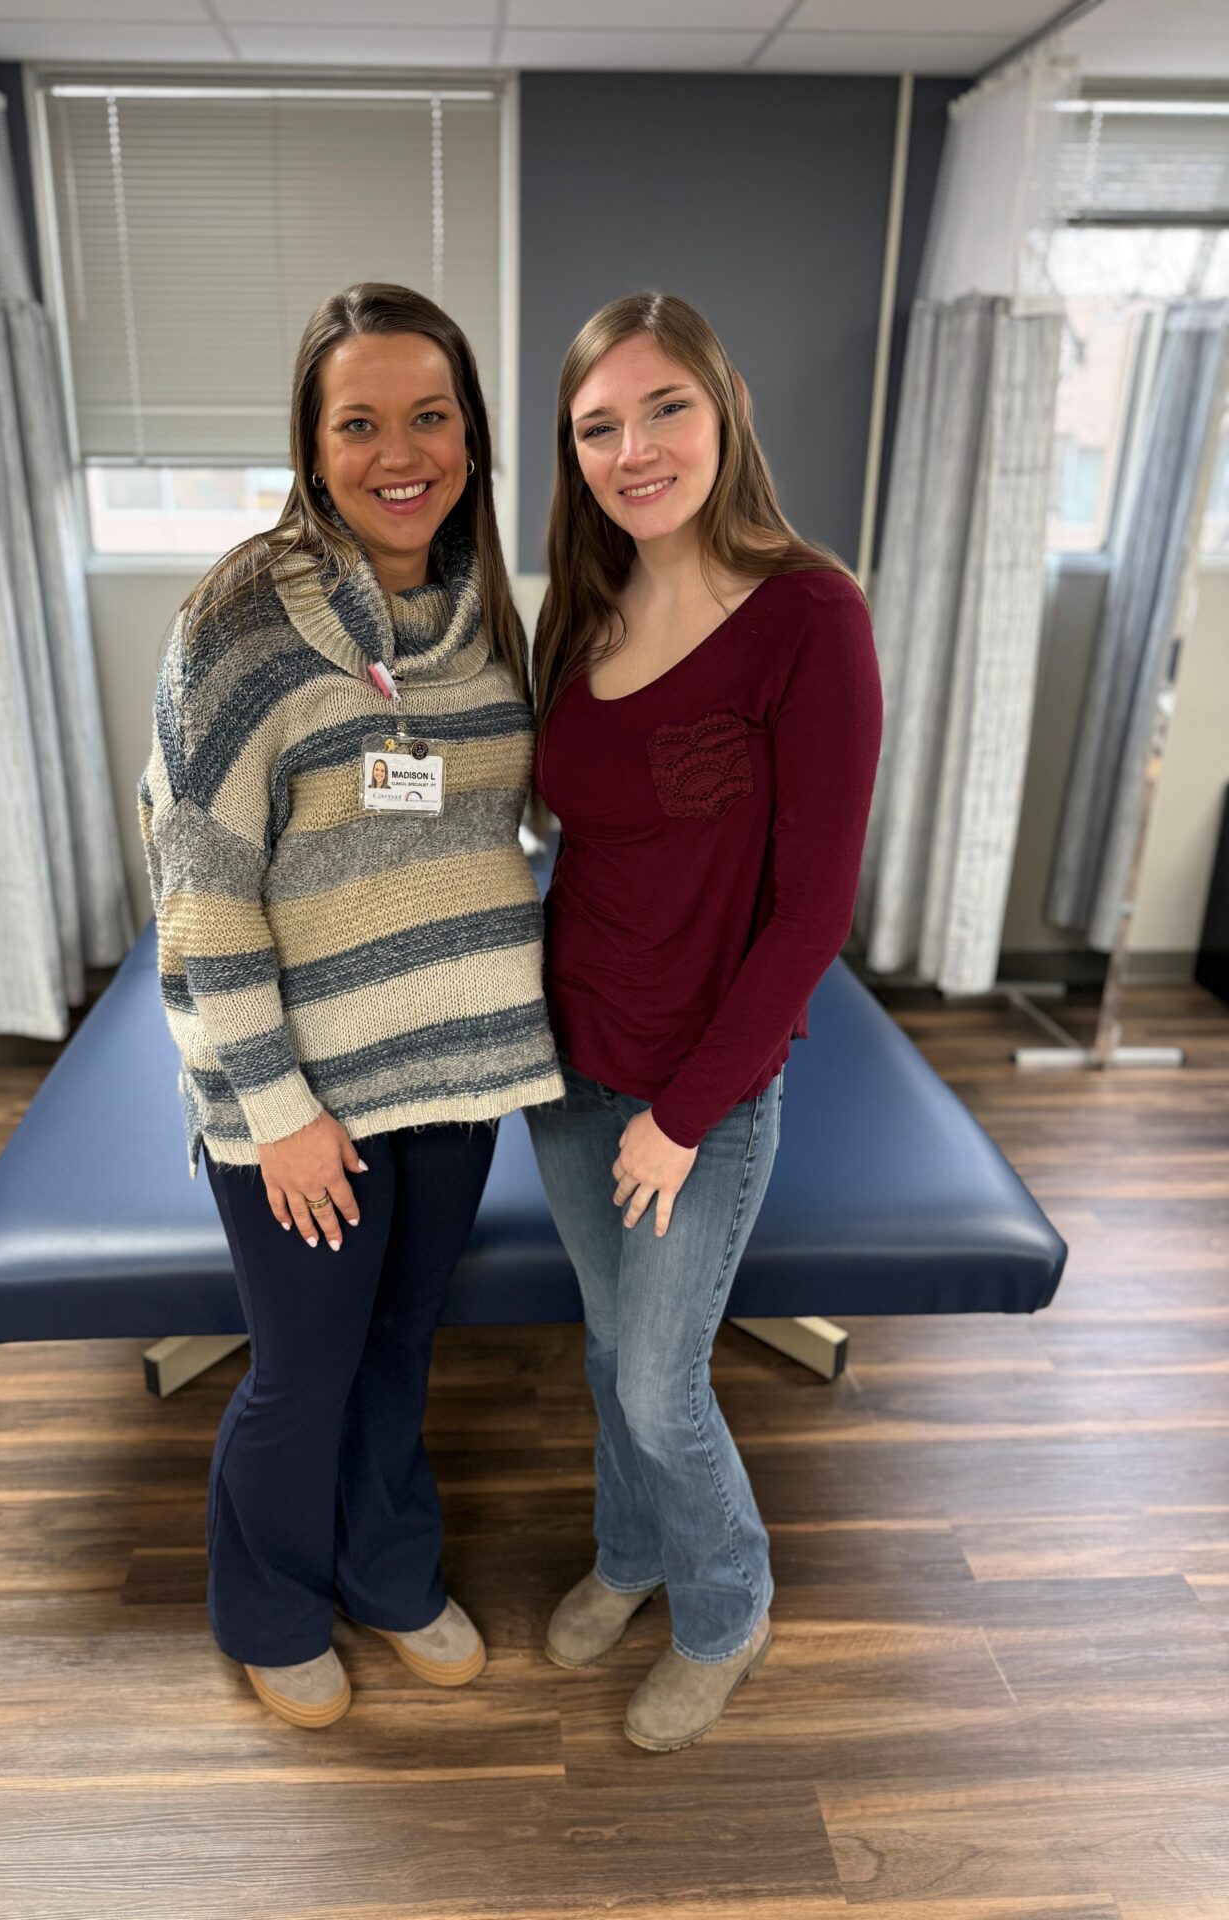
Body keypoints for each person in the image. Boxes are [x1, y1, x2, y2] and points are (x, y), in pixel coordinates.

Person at [138, 283, 564, 1730]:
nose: (402, 450)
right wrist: (278, 1116)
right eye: (361, 421)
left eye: (430, 415)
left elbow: (508, 824)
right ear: (313, 448)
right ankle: (269, 1605)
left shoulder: (488, 615)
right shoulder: (238, 626)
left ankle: (390, 1575)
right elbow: (201, 899)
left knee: (398, 1348)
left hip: (451, 1077)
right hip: (297, 1103)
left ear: (471, 434)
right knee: (303, 1370)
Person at [526, 291, 883, 1752]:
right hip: (565, 1065)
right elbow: (563, 841)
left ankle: (725, 1605)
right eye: (599, 425)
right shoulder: (583, 604)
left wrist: (684, 1114)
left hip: (702, 1088)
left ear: (723, 406)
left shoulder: (810, 613)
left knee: (665, 1389)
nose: (635, 447)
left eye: (661, 406)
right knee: (610, 1356)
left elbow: (812, 917)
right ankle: (630, 1558)